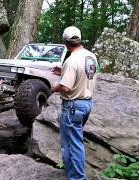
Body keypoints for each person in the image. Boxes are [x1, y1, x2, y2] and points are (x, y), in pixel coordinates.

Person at [51, 26, 98, 180]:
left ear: (66, 42)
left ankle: (77, 178)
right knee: (73, 142)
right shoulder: (91, 56)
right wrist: (63, 72)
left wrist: (53, 87)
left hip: (73, 107)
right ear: (79, 39)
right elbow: (84, 73)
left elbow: (65, 87)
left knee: (73, 145)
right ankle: (72, 174)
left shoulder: (71, 60)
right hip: (86, 104)